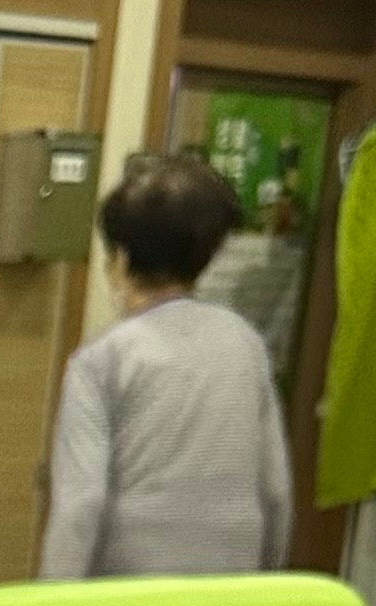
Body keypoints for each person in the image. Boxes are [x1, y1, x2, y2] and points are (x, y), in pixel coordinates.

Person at [40, 153, 292, 580]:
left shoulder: (103, 360)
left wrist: (52, 602)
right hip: (229, 584)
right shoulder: (244, 344)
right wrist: (266, 581)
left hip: (131, 588)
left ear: (120, 259)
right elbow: (275, 490)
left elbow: (80, 502)